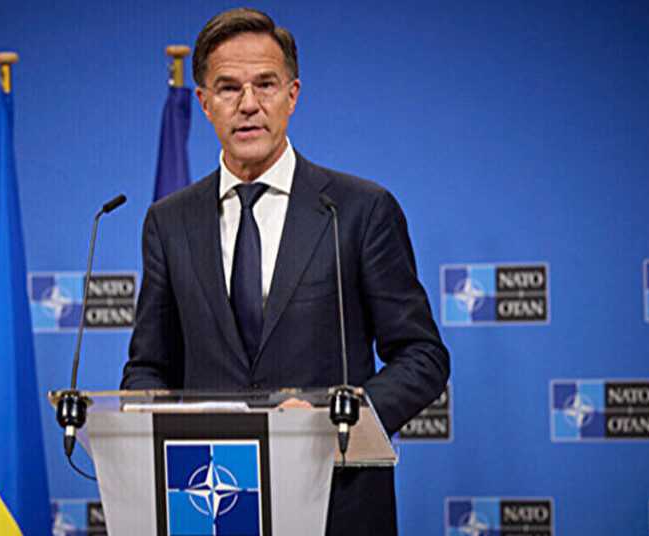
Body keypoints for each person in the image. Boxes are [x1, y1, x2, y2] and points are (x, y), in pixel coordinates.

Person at [121, 7, 449, 535]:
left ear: (292, 95)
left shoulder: (359, 210)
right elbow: (148, 367)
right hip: (210, 505)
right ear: (203, 102)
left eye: (265, 85)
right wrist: (146, 416)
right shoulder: (168, 222)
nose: (248, 104)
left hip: (335, 500)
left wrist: (334, 418)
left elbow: (423, 356)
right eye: (228, 88)